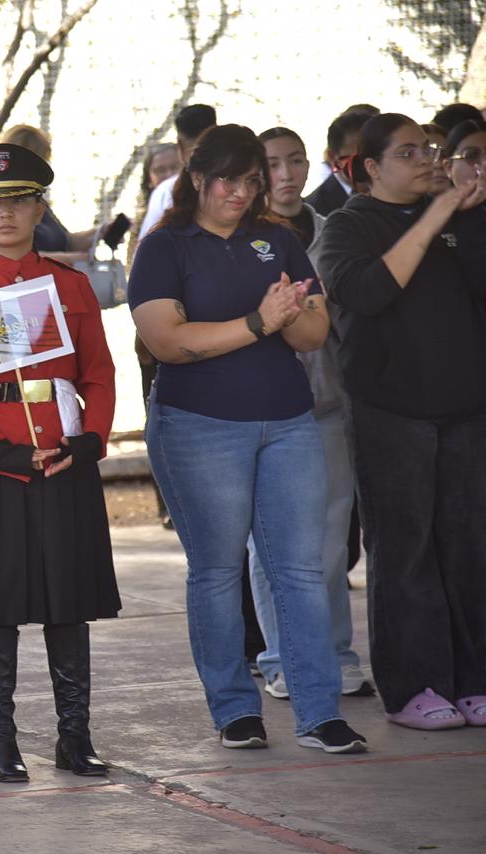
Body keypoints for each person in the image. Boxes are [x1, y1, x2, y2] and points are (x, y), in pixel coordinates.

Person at [130, 124, 367, 754]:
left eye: (251, 181)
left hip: (288, 421)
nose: (241, 192)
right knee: (215, 570)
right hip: (198, 427)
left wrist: (289, 317)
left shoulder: (278, 239)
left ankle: (319, 712)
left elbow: (313, 333)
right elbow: (168, 342)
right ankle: (235, 709)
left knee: (302, 569)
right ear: (197, 179)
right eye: (228, 180)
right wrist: (261, 320)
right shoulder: (164, 247)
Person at [0, 144, 120, 783]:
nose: (6, 213)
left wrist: (90, 440)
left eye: (19, 200)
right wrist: (0, 451)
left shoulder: (69, 286)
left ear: (40, 206)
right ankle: (3, 743)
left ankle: (76, 739)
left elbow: (98, 372)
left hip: (66, 457)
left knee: (67, 602)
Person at [316, 113, 486, 730]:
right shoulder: (348, 225)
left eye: (430, 150)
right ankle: (414, 686)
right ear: (371, 167)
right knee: (405, 552)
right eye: (409, 152)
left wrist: (462, 214)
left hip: (466, 409)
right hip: (392, 411)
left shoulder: (460, 216)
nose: (426, 161)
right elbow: (364, 293)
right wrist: (438, 215)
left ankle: (472, 680)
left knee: (468, 547)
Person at [250, 127, 371, 699]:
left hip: (326, 404)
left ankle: (336, 652)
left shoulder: (332, 231)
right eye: (273, 163)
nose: (287, 174)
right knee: (270, 540)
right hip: (260, 409)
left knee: (329, 543)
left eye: (296, 161)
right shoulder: (237, 240)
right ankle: (279, 657)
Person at [128, 143, 181, 528]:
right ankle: (166, 502)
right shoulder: (144, 222)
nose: (166, 175)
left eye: (172, 167)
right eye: (159, 169)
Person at [0, 124, 114, 265]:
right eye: (39, 161)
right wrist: (69, 260)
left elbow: (66, 241)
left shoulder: (37, 200)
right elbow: (8, 256)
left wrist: (99, 232)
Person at [137, 104, 217, 240]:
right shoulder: (241, 184)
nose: (169, 174)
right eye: (160, 170)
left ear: (179, 146)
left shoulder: (165, 191)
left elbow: (144, 249)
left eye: (173, 167)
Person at [305, 108, 375, 216]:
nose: (371, 166)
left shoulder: (399, 193)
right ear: (332, 157)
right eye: (360, 160)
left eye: (377, 156)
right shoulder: (315, 211)